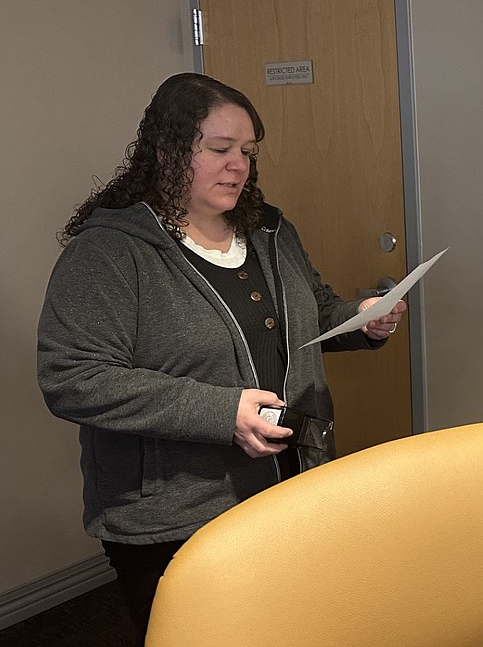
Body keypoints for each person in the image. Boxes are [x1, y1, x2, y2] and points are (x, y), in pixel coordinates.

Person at [38, 72, 407, 639]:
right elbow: (74, 376)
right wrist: (221, 412)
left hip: (290, 479)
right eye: (219, 149)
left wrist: (364, 320)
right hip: (175, 510)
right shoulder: (110, 253)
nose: (239, 165)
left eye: (248, 152)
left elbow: (314, 313)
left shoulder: (268, 231)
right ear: (166, 151)